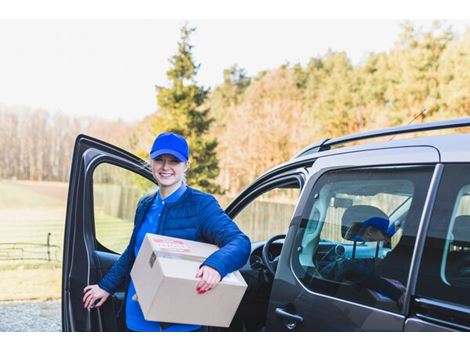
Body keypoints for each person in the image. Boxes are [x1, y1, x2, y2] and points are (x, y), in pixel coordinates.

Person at [82, 132, 251, 332]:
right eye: (159, 160)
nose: (165, 167)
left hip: (180, 322)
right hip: (136, 315)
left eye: (174, 161)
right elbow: (134, 252)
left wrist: (216, 266)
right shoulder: (145, 204)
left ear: (186, 165)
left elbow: (240, 242)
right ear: (151, 162)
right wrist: (106, 286)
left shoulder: (201, 205)